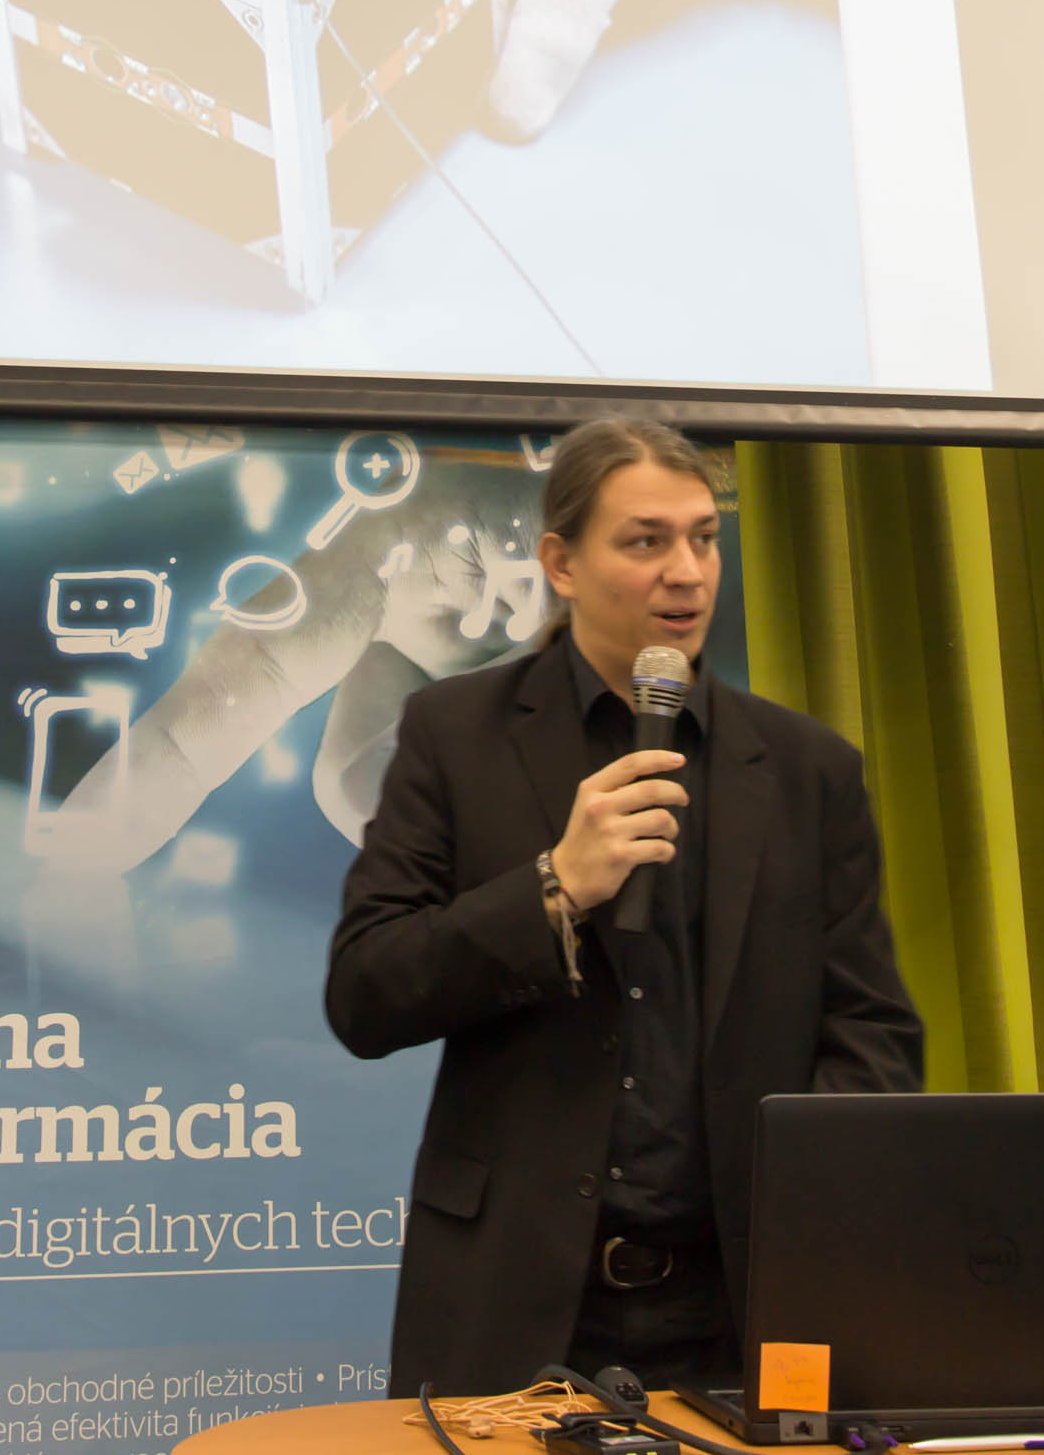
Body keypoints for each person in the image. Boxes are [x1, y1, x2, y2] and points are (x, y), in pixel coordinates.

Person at [323, 418, 925, 1397]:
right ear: (560, 561)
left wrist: (806, 1212)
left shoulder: (807, 768)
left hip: (742, 1308)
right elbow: (365, 992)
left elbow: (872, 1031)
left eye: (703, 537)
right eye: (646, 540)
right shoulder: (455, 733)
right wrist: (553, 886)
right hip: (514, 1304)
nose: (686, 571)